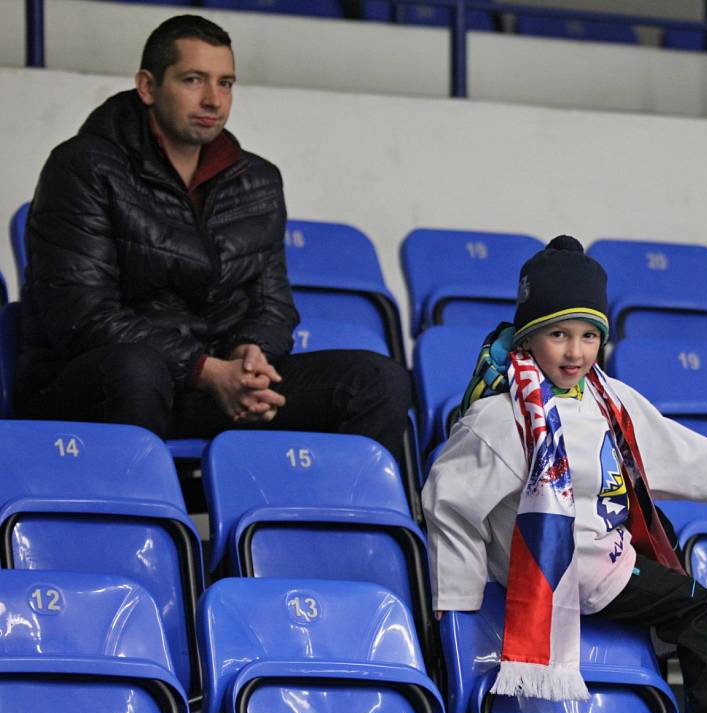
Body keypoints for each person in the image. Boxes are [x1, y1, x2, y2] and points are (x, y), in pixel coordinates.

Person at [14, 15, 410, 463]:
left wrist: (249, 356)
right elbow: (82, 316)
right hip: (101, 385)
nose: (213, 100)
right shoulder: (82, 168)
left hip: (216, 383)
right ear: (147, 86)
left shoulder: (256, 180)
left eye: (225, 84)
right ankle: (134, 526)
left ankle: (335, 529)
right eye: (193, 80)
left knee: (378, 381)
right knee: (137, 369)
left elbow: (273, 304)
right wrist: (205, 370)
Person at [422, 235, 707, 713]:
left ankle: (673, 623)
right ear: (526, 338)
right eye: (558, 334)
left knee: (654, 518)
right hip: (565, 563)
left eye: (589, 336)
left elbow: (666, 448)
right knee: (698, 608)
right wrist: (456, 597)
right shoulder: (501, 418)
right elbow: (448, 502)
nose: (575, 352)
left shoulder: (607, 395)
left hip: (597, 542)